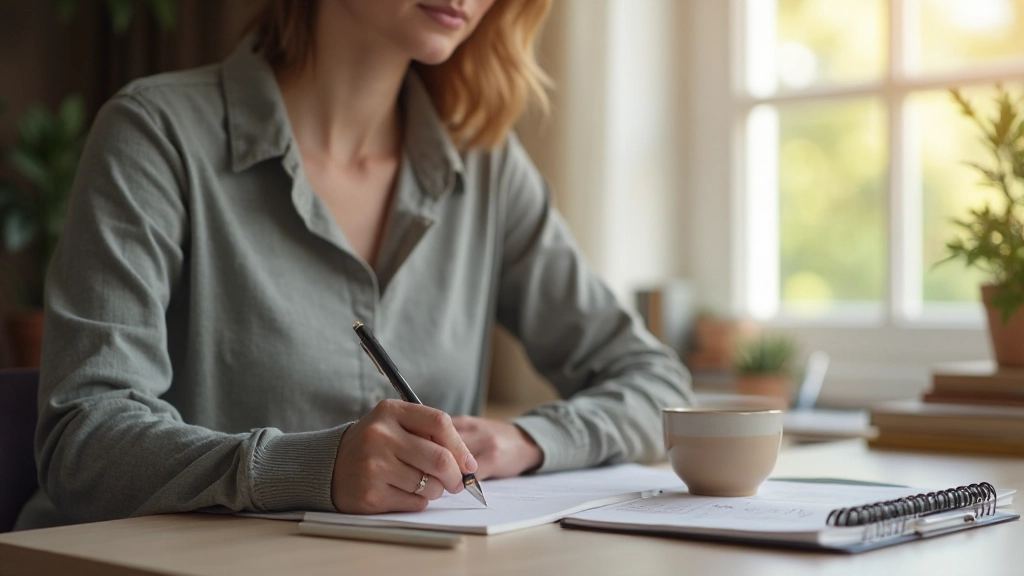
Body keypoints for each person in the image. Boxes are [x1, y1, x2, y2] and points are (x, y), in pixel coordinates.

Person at [15, 0, 693, 529]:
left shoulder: (485, 170)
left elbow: (658, 383)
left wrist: (527, 441)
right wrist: (312, 468)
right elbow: (86, 441)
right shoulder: (155, 135)